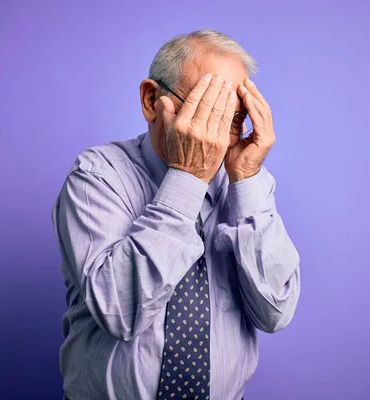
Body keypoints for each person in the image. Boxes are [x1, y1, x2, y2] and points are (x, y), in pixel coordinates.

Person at [51, 29, 301, 400]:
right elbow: (119, 311)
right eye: (205, 112)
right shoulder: (96, 176)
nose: (216, 138)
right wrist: (188, 178)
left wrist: (246, 181)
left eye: (232, 119)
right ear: (152, 100)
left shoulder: (244, 182)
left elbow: (275, 312)